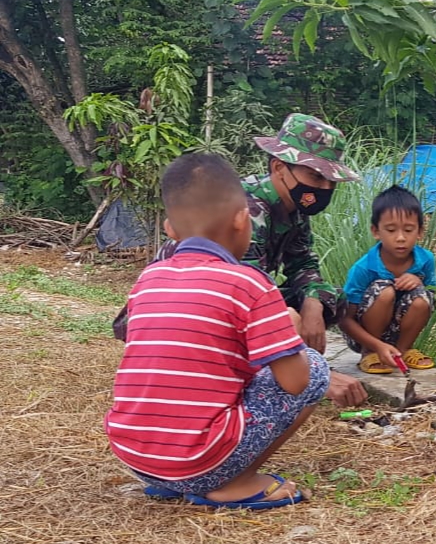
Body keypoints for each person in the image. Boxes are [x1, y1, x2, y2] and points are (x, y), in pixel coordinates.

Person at [107, 154, 329, 509]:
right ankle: (233, 483)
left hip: (135, 457)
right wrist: (288, 336)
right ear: (243, 220)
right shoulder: (251, 284)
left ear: (170, 230)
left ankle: (172, 479)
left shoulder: (148, 279)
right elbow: (295, 382)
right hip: (200, 461)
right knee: (316, 369)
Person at [112, 113, 367, 407]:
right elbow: (245, 299)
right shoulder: (246, 210)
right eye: (315, 176)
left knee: (329, 299)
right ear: (279, 168)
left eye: (330, 180)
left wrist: (313, 302)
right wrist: (317, 376)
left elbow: (304, 266)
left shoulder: (294, 210)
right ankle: (264, 376)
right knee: (285, 317)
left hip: (216, 304)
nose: (323, 188)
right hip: (179, 312)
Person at [340, 185, 436, 374]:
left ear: (420, 232)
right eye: (391, 230)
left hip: (398, 329)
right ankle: (370, 353)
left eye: (408, 230)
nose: (400, 238)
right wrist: (376, 345)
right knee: (384, 290)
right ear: (376, 231)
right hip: (363, 336)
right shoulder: (364, 267)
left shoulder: (425, 260)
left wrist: (419, 282)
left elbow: (434, 298)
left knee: (422, 295)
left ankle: (402, 350)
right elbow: (345, 320)